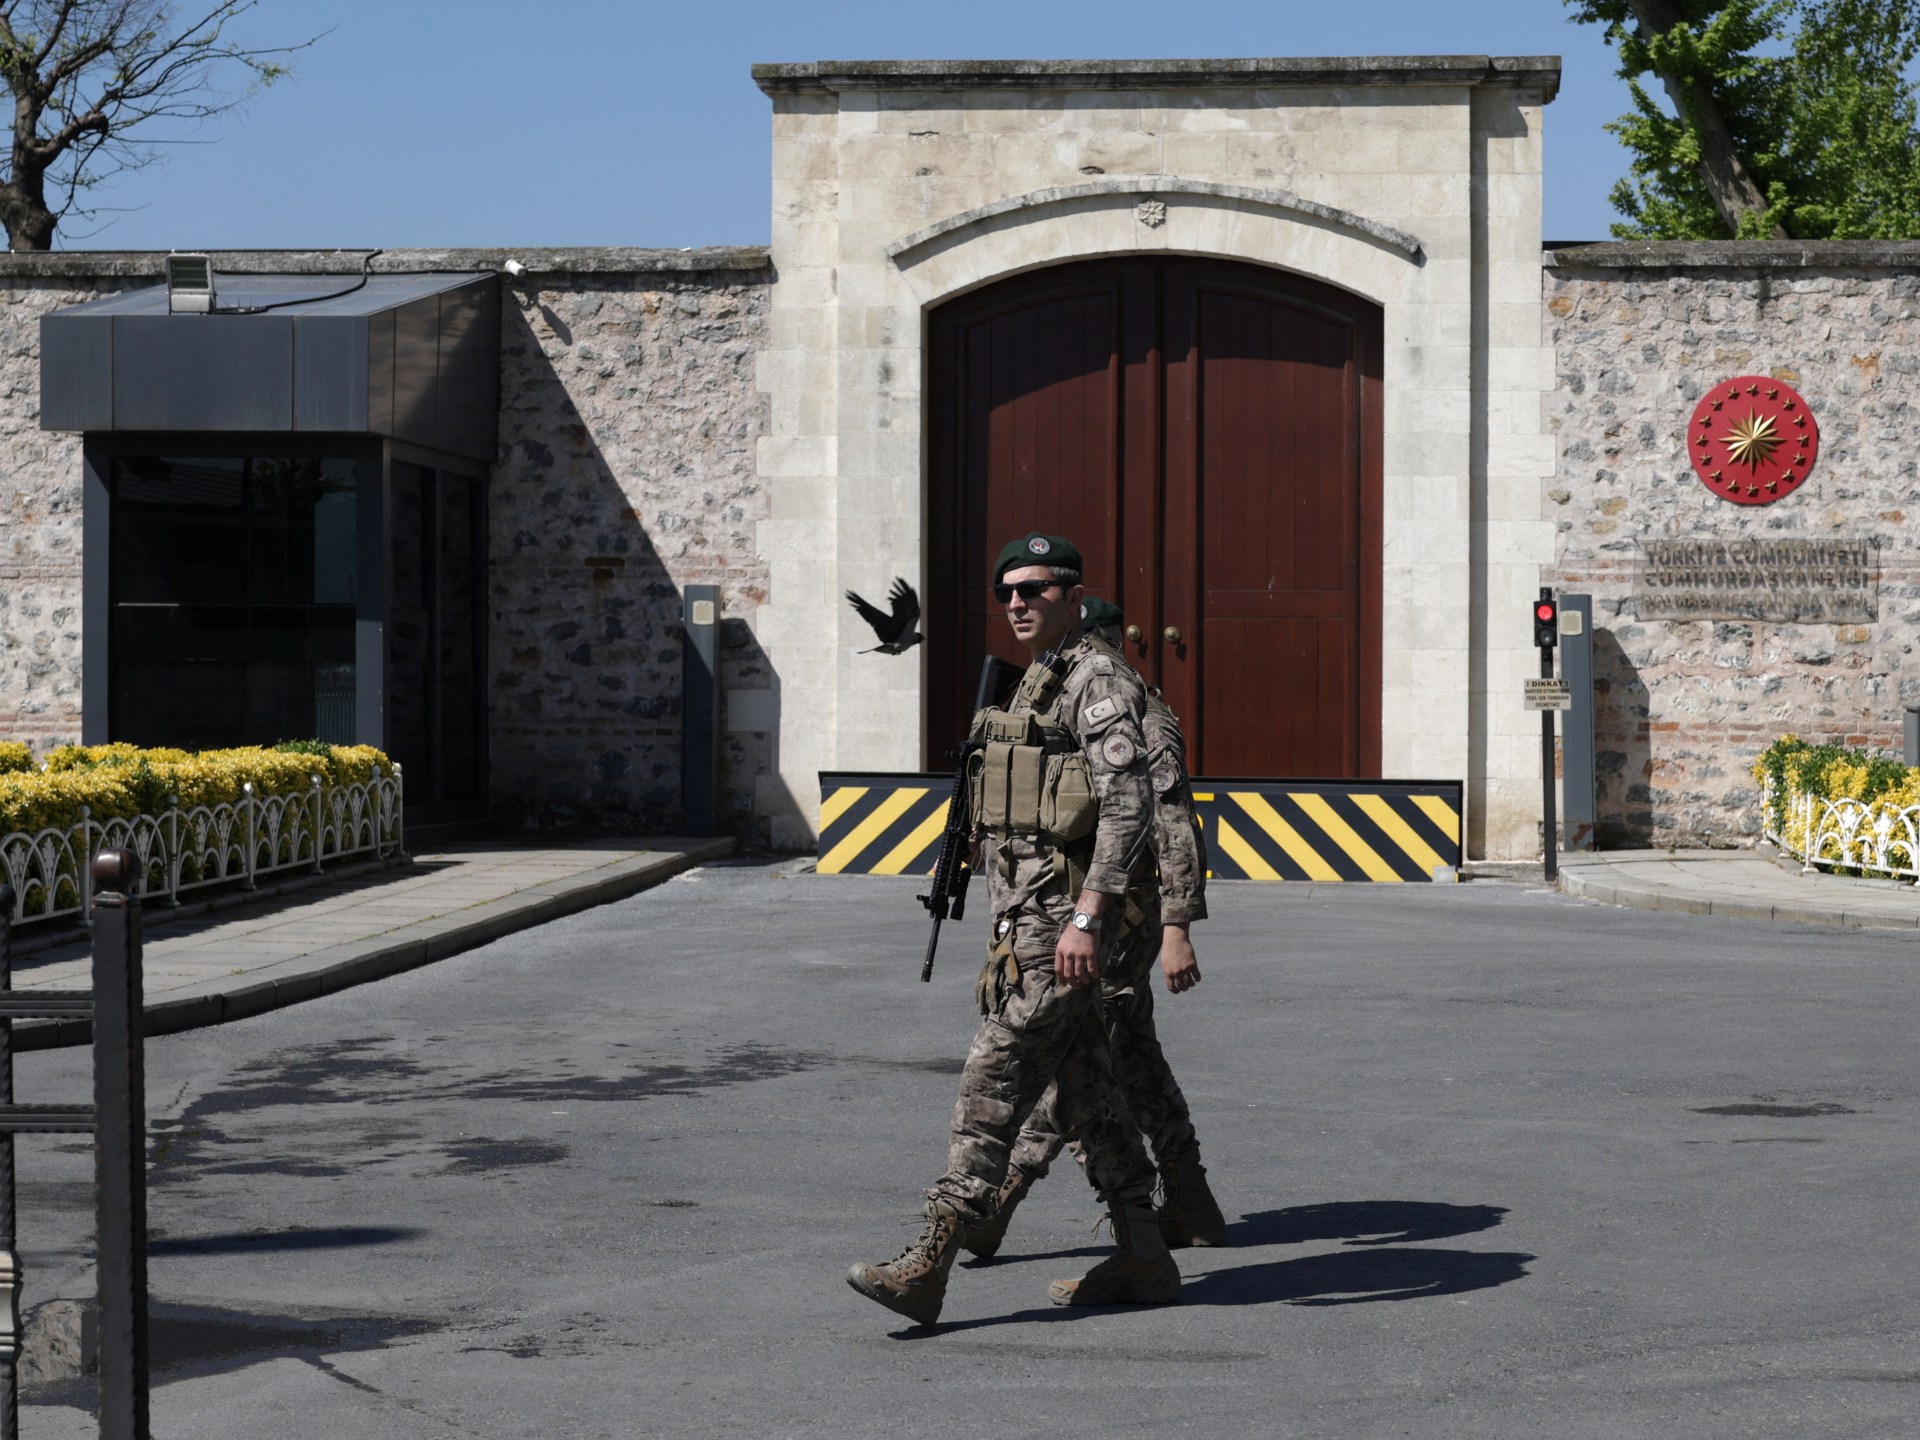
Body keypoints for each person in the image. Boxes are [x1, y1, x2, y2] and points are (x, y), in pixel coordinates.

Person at [846, 533, 1180, 1326]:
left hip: (1060, 923)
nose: (1019, 603)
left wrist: (1092, 915)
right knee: (1086, 1087)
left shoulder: (1095, 678)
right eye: (1008, 593)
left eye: (1036, 589)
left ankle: (931, 1260)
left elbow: (1131, 806)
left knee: (993, 1077)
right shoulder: (1040, 678)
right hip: (1024, 918)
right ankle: (1143, 1251)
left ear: (1072, 594)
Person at [960, 595, 1227, 1261]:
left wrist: (1176, 924)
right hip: (1094, 913)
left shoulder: (1134, 709)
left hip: (1117, 918)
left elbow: (1170, 822)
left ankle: (1004, 1198)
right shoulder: (1062, 695)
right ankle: (1187, 1198)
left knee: (1072, 1055)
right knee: (1124, 1055)